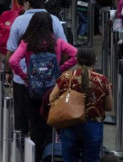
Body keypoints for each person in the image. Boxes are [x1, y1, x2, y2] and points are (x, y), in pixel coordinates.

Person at [9, 11, 77, 161]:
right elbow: (76, 54)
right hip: (53, 90)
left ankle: (35, 157)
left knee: (34, 126)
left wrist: (25, 76)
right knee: (51, 126)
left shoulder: (27, 43)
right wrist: (61, 69)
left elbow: (13, 61)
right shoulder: (57, 42)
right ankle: (49, 155)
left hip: (32, 90)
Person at [6, 0, 68, 137]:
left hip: (23, 79)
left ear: (27, 3)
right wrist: (60, 69)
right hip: (48, 79)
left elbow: (11, 51)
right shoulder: (54, 19)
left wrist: (10, 72)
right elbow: (65, 48)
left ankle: (20, 147)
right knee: (45, 115)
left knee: (21, 114)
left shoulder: (19, 21)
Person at [47, 47, 113, 161]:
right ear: (95, 60)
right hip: (94, 125)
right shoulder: (102, 80)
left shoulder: (67, 77)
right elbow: (109, 107)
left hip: (70, 122)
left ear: (76, 60)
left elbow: (51, 98)